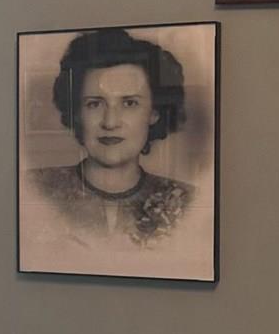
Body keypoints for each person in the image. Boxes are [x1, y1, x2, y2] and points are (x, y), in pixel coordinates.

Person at [27, 27, 194, 251]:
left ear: (154, 112)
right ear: (76, 112)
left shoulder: (187, 203)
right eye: (94, 104)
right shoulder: (33, 189)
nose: (110, 122)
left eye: (129, 103)